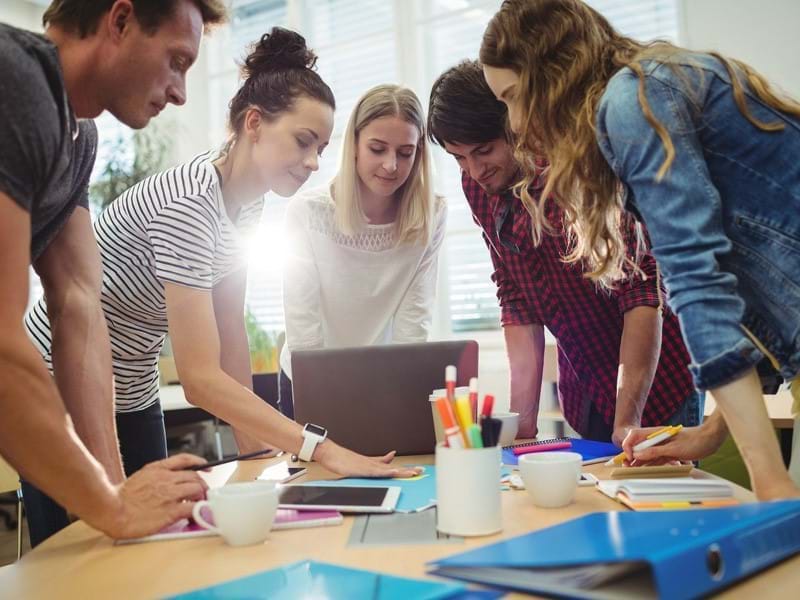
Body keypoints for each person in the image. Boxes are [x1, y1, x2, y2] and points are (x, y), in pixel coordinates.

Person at [23, 28, 421, 545]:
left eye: (321, 147)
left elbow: (229, 328)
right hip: (60, 375)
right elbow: (200, 378)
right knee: (78, 555)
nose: (314, 162)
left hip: (133, 383)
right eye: (303, 141)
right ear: (254, 123)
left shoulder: (247, 203)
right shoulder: (188, 202)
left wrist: (256, 456)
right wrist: (318, 448)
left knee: (145, 545)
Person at [479, 0, 800, 499]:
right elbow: (752, 302)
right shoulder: (651, 84)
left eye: (515, 96)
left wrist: (768, 480)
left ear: (554, 73)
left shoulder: (631, 105)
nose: (515, 122)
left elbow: (700, 287)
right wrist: (709, 435)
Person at [0, 0, 228, 541]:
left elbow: (79, 301)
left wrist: (115, 491)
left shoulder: (78, 136)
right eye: (176, 60)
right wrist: (111, 507)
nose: (180, 92)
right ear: (120, 21)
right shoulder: (17, 80)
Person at [427, 60, 700, 443]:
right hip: (585, 387)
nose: (473, 171)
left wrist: (628, 421)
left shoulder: (577, 171)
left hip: (656, 386)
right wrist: (521, 425)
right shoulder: (479, 186)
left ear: (515, 126)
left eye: (483, 151)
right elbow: (515, 296)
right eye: (459, 158)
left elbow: (640, 294)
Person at [279, 84, 446, 417]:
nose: (391, 165)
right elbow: (303, 329)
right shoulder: (308, 212)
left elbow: (413, 326)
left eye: (405, 152)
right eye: (377, 148)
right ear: (354, 145)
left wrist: (394, 397)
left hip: (384, 378)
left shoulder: (432, 214)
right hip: (309, 377)